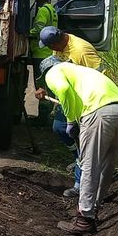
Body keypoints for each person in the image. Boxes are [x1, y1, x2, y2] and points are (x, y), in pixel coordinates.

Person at [37, 56, 118, 235]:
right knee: (107, 165)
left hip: (100, 113)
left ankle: (84, 219)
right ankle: (93, 208)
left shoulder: (54, 72)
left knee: (89, 164)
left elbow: (64, 89)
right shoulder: (83, 72)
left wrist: (71, 120)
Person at [37, 26, 103, 198]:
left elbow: (99, 76)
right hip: (69, 96)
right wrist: (43, 88)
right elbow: (53, 67)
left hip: (85, 99)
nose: (52, 50)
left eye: (51, 46)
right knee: (60, 128)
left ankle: (80, 185)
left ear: (58, 42)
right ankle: (77, 158)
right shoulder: (58, 47)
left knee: (82, 140)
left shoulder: (81, 51)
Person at [29, 0, 58, 124]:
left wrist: (27, 33)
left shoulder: (42, 11)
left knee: (41, 86)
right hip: (49, 53)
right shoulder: (53, 10)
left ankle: (42, 118)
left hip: (40, 54)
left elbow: (38, 29)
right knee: (48, 85)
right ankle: (47, 115)